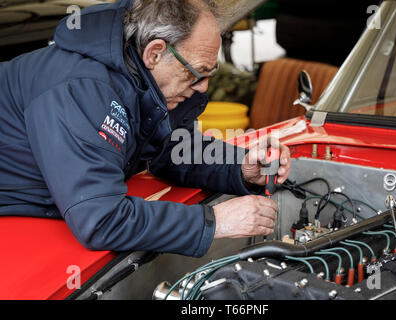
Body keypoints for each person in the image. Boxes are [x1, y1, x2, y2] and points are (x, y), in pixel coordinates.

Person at [0, 0, 291, 258]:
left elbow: (172, 148)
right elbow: (101, 220)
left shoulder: (139, 75)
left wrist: (238, 167)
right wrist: (216, 221)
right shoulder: (81, 90)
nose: (203, 87)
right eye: (197, 73)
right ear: (155, 53)